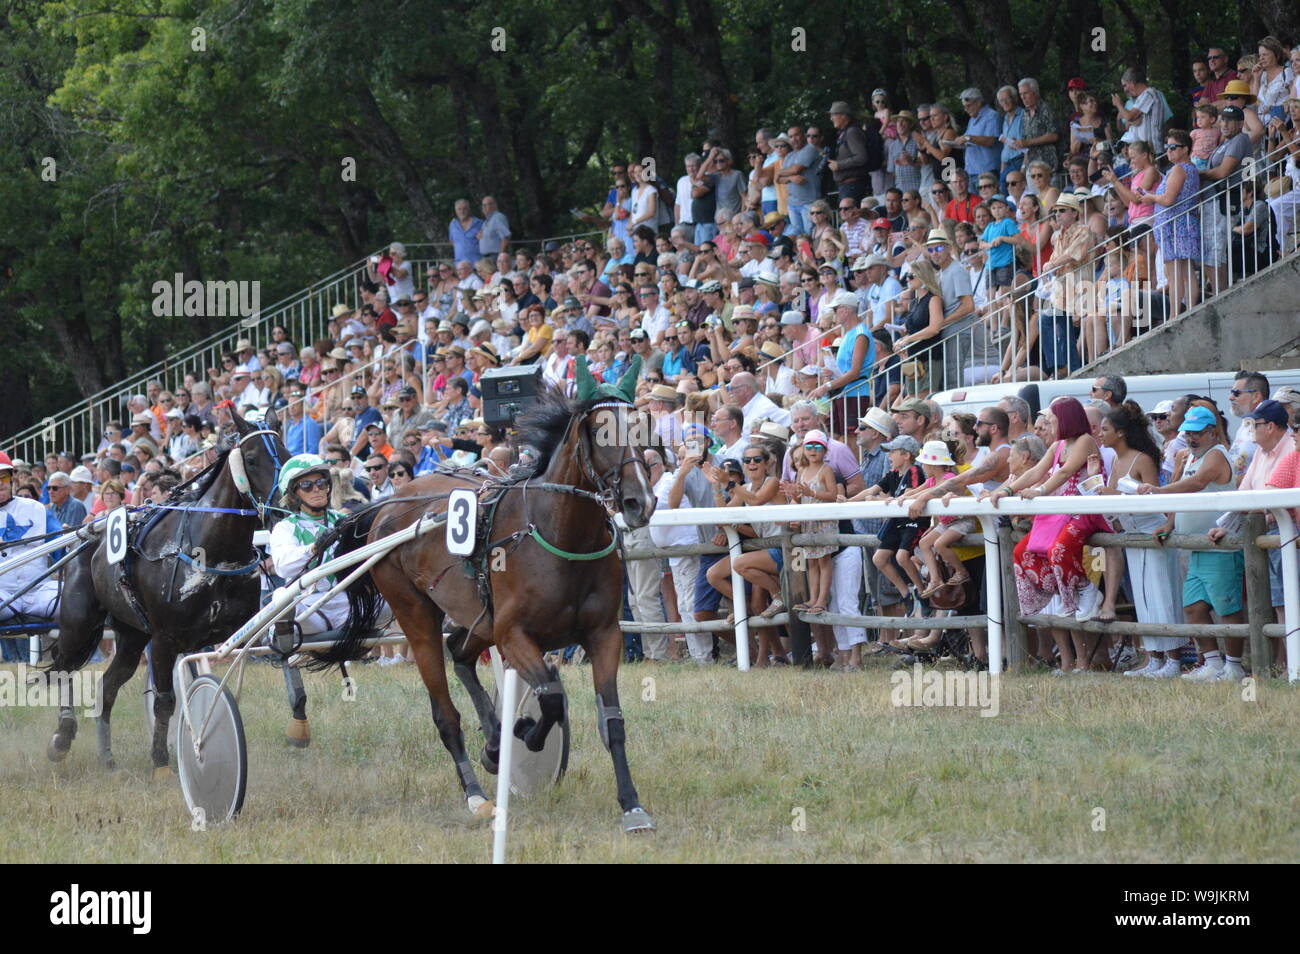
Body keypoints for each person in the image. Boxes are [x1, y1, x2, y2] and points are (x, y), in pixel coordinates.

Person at [987, 397, 1108, 673]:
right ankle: (1063, 590)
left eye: (1053, 419)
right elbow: (1037, 471)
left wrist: (1040, 492)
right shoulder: (1058, 445)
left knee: (1058, 551)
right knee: (1021, 553)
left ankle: (1083, 588)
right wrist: (1008, 490)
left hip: (1081, 512)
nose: (1049, 424)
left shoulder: (1085, 441)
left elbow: (1065, 472)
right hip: (1058, 515)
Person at [1137, 405, 1244, 682]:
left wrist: (1158, 491)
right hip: (1197, 546)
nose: (1191, 438)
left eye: (1197, 433)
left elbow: (1197, 484)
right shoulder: (1191, 457)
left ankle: (1234, 666)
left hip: (1220, 546)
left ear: (1211, 433)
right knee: (1194, 608)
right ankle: (1213, 663)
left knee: (1226, 608)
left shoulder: (1217, 455)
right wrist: (1170, 524)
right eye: (1188, 433)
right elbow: (1185, 493)